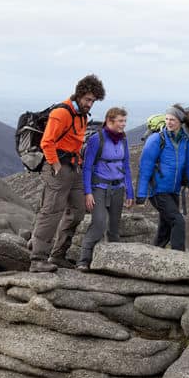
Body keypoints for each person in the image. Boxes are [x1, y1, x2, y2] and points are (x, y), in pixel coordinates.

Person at [29, 74, 105, 273]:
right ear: (79, 95)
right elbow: (47, 142)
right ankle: (37, 259)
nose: (90, 104)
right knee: (52, 212)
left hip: (73, 167)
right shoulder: (62, 113)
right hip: (58, 168)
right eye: (88, 99)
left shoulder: (81, 115)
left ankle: (58, 255)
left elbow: (76, 142)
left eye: (93, 101)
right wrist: (55, 166)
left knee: (78, 211)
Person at [136, 104, 189, 251]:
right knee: (177, 221)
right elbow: (145, 168)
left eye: (172, 119)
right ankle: (178, 258)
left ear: (180, 121)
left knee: (165, 228)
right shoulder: (156, 139)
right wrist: (141, 194)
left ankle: (153, 257)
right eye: (167, 119)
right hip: (158, 190)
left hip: (173, 191)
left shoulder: (185, 140)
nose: (169, 122)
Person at [77, 106, 134, 271]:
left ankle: (113, 263)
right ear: (110, 121)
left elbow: (126, 167)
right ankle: (83, 261)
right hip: (99, 187)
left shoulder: (123, 139)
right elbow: (87, 168)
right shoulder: (97, 139)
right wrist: (87, 193)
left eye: (125, 121)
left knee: (114, 228)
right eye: (120, 121)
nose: (123, 124)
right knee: (99, 224)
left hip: (118, 188)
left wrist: (130, 192)